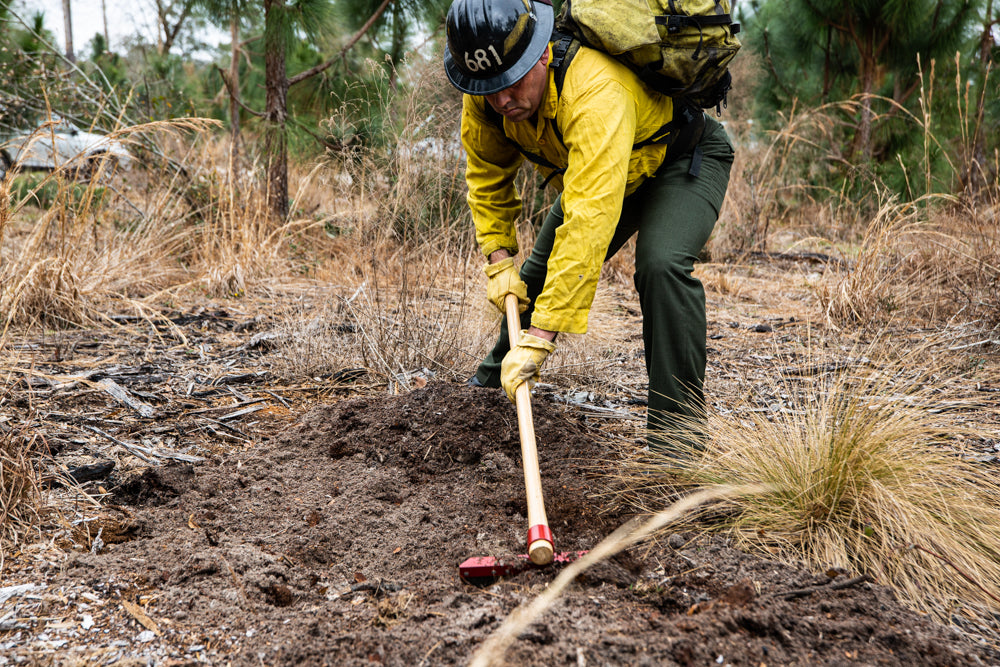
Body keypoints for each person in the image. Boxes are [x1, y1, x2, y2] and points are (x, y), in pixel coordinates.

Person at [443, 0, 734, 456]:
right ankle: (482, 399)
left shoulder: (594, 90)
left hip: (680, 160)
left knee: (661, 266)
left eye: (512, 82)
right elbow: (487, 172)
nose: (501, 99)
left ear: (541, 55)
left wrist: (541, 339)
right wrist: (499, 259)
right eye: (489, 87)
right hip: (602, 175)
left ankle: (677, 445)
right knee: (533, 280)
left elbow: (587, 224)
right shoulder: (487, 90)